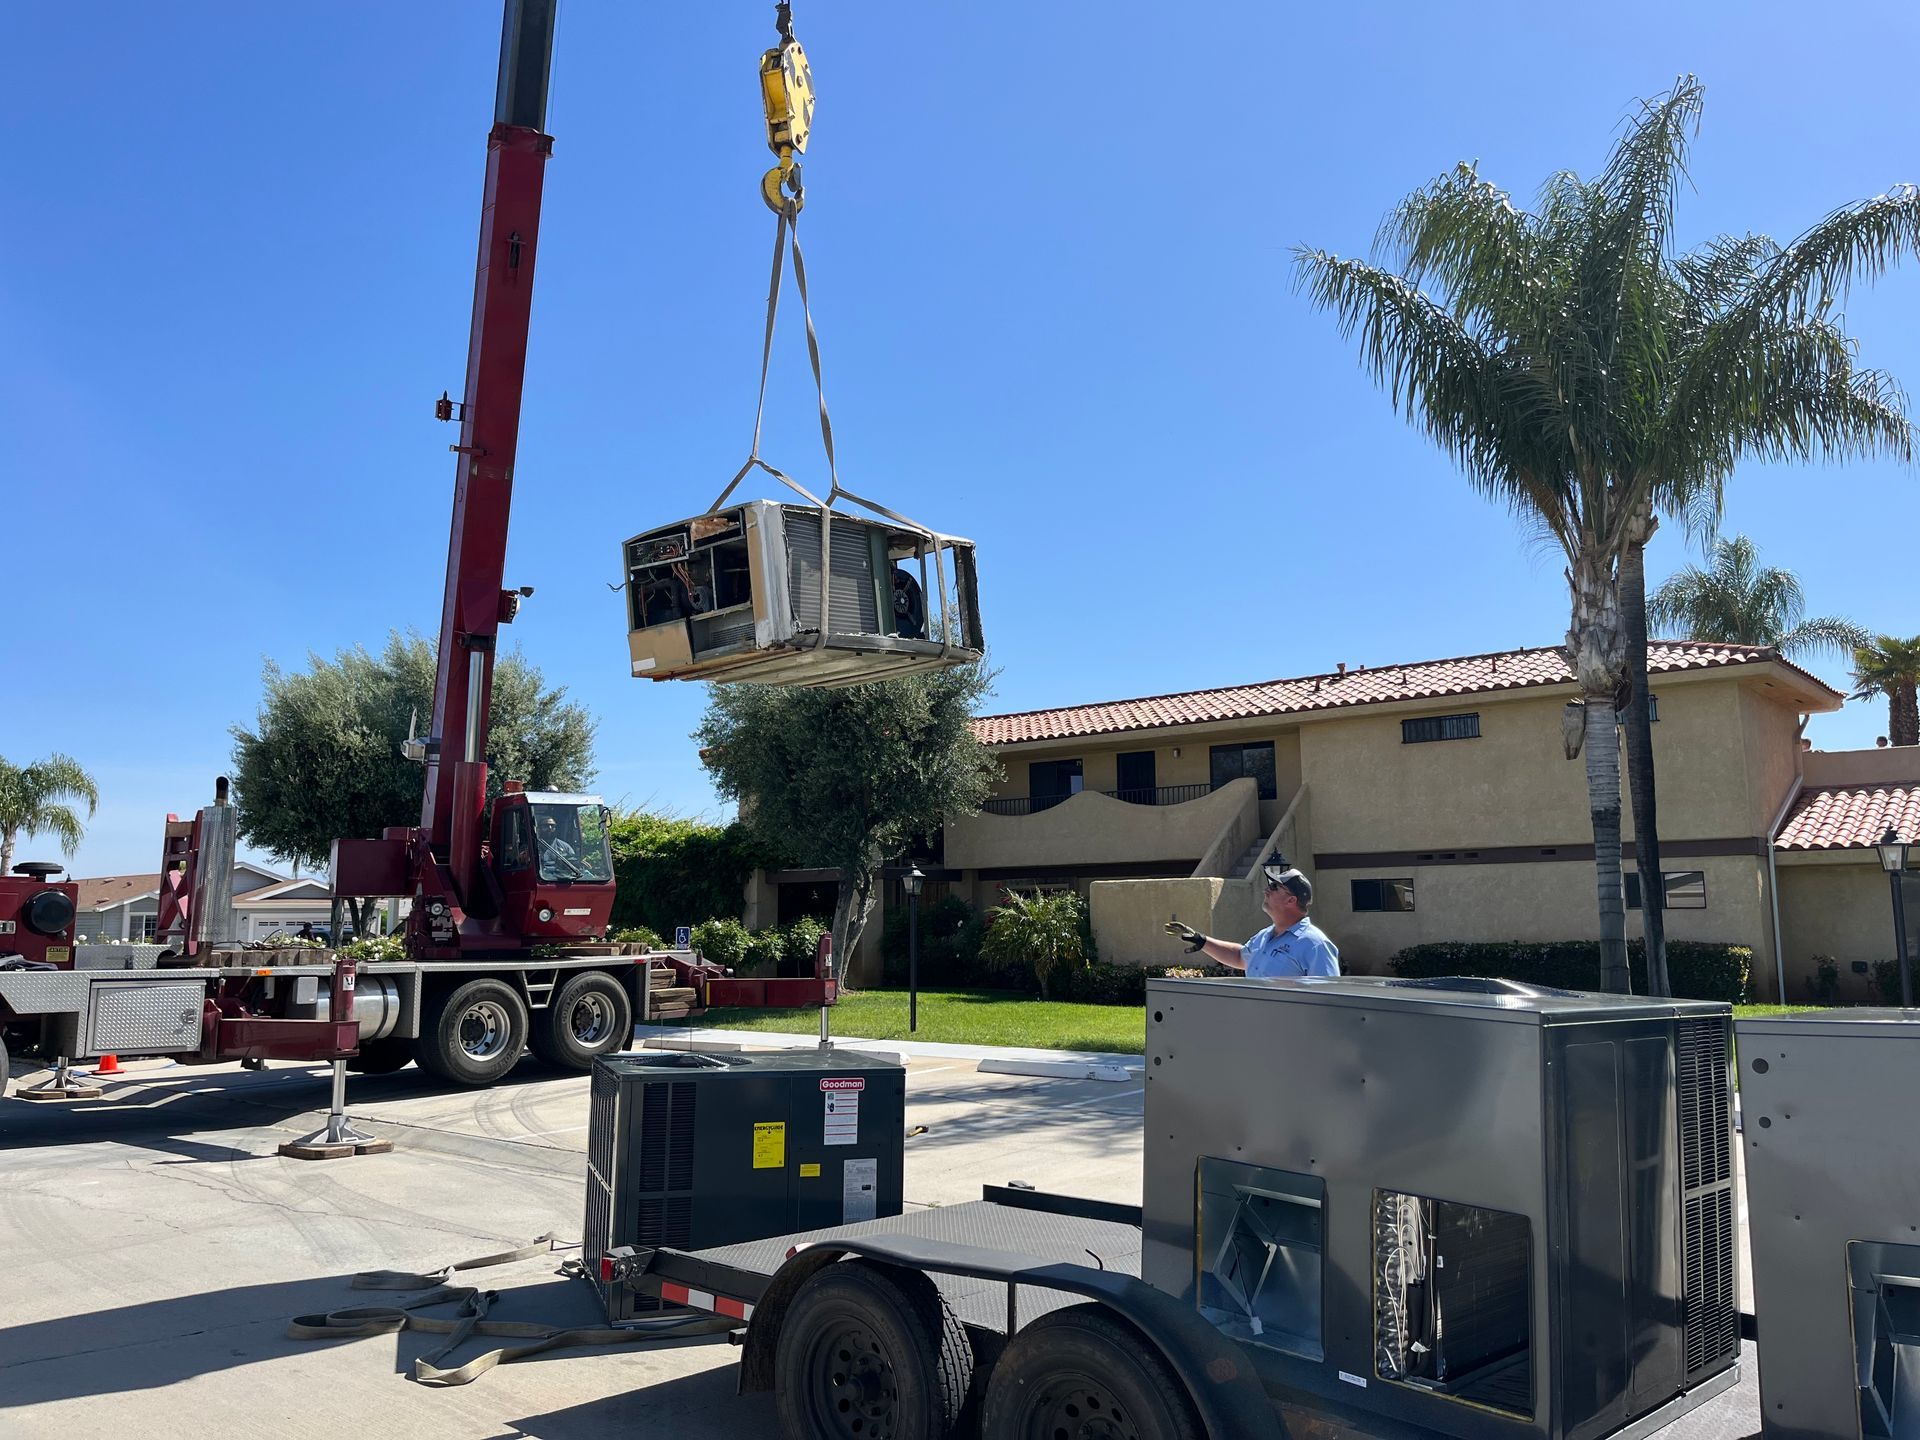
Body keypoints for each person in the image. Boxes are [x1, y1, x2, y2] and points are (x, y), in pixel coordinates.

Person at [1163, 856, 1340, 978]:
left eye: (1274, 887)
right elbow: (1240, 957)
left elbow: (1329, 995)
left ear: (1291, 900)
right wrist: (1200, 940)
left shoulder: (1315, 944)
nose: (1266, 890)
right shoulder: (1264, 936)